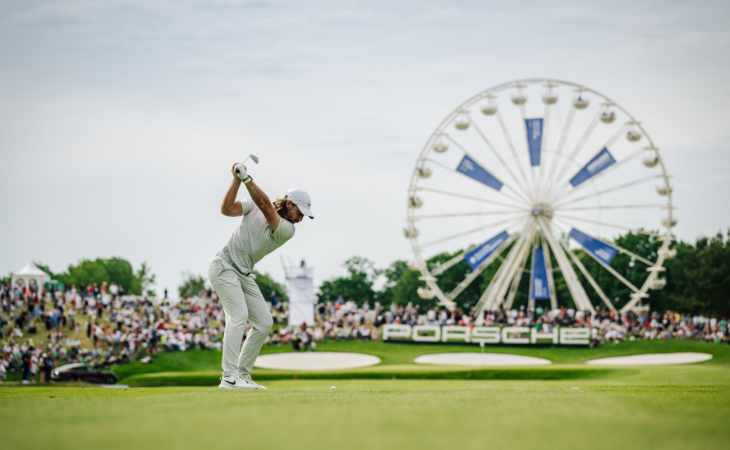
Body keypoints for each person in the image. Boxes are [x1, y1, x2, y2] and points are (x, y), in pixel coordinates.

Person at [209, 160, 313, 390]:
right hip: (223, 266)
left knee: (264, 323)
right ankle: (229, 377)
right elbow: (226, 209)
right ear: (289, 203)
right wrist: (236, 180)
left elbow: (266, 206)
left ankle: (242, 375)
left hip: (243, 273)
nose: (301, 218)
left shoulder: (287, 230)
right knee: (238, 316)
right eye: (300, 211)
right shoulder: (253, 205)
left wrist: (246, 178)